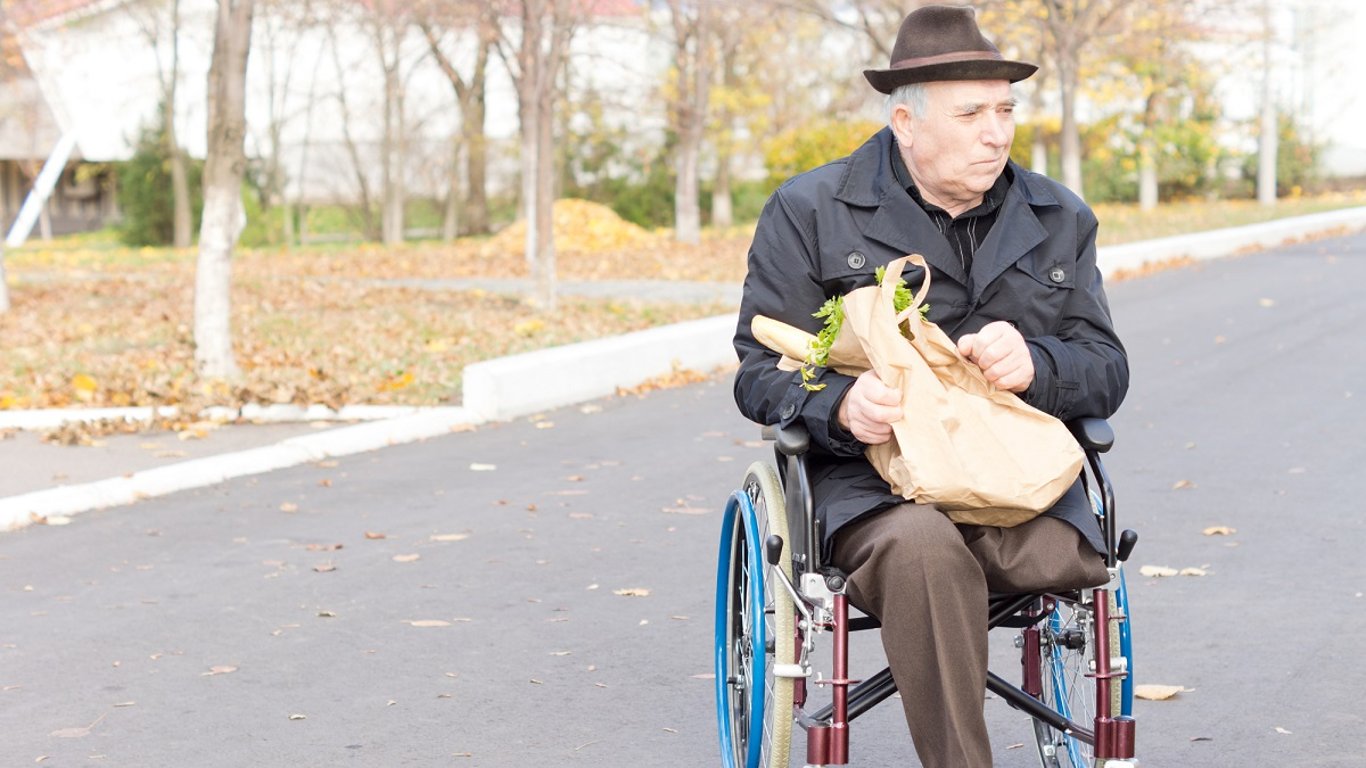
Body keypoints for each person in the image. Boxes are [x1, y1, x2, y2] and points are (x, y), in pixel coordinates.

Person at [732, 5, 1129, 767]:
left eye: (1005, 111)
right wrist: (838, 406)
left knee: (1058, 554)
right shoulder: (811, 210)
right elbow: (758, 372)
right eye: (972, 114)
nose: (996, 133)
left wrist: (1039, 363)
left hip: (1015, 482)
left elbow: (1106, 368)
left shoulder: (1058, 216)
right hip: (876, 488)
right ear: (906, 123)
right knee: (927, 558)